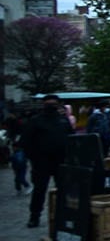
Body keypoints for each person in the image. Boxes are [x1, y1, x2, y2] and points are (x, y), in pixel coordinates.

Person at [23, 95, 72, 227]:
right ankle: (34, 216)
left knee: (63, 190)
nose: (51, 106)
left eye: (54, 103)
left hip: (60, 161)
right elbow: (27, 141)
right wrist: (34, 158)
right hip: (41, 162)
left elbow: (70, 138)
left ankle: (63, 215)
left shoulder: (63, 120)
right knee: (39, 190)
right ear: (44, 105)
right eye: (48, 103)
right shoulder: (36, 121)